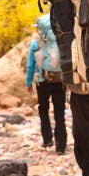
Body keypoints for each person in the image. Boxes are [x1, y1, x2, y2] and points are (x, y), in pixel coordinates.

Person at [25, 12, 67, 153]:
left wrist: (28, 82)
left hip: (42, 82)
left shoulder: (36, 44)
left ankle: (47, 140)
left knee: (43, 110)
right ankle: (61, 146)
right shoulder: (61, 42)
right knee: (59, 113)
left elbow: (31, 65)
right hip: (59, 81)